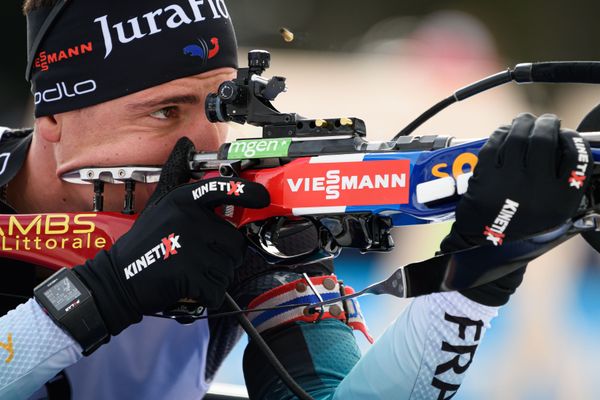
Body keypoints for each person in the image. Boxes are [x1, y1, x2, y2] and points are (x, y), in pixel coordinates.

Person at [0, 0, 592, 399]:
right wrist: (108, 293)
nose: (207, 146)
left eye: (220, 106)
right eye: (164, 111)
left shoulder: (247, 218)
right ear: (53, 115)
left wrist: (476, 275)